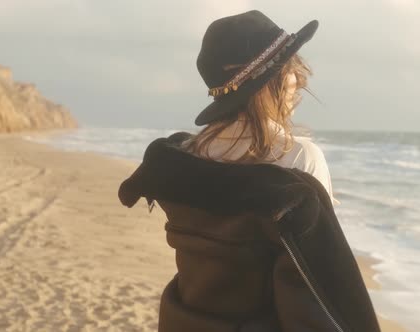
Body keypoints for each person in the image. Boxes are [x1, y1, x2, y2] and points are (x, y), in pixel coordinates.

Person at [119, 10, 380, 332]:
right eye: (291, 68)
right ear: (273, 80)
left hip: (192, 316)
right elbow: (324, 271)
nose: (300, 79)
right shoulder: (299, 159)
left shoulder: (184, 155)